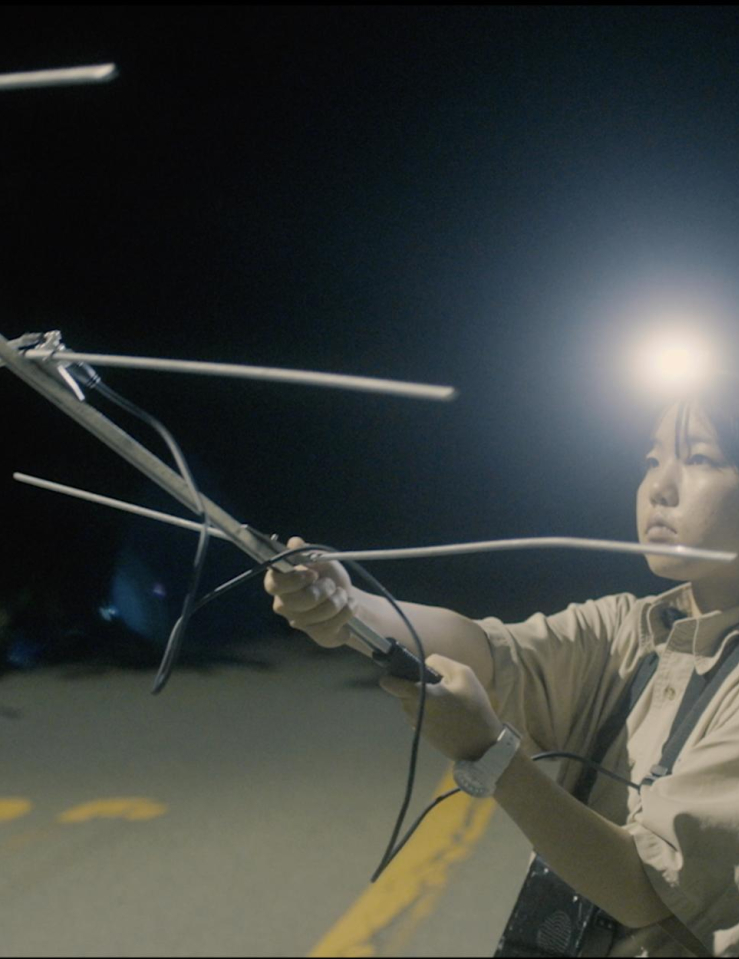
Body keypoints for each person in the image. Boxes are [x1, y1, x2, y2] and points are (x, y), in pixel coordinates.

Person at [263, 379, 739, 957]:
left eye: (700, 459)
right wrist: (346, 606)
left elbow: (643, 890)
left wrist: (492, 756)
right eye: (652, 459)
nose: (659, 488)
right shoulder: (630, 629)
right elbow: (489, 654)